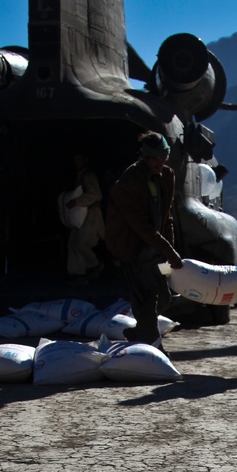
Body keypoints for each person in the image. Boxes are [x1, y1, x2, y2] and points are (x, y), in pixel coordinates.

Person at [104, 132, 183, 343]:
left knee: (165, 296)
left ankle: (140, 331)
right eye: (155, 158)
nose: (160, 162)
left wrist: (170, 249)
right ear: (145, 157)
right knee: (146, 297)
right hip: (135, 250)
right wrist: (169, 250)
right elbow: (142, 227)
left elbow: (167, 216)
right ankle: (153, 346)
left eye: (163, 157)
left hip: (158, 251)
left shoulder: (167, 176)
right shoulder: (127, 184)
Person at [65, 152, 106, 279]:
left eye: (79, 159)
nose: (76, 162)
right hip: (80, 216)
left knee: (81, 243)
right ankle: (77, 273)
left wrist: (77, 201)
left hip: (91, 215)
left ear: (85, 160)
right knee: (73, 243)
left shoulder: (88, 175)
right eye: (74, 159)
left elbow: (96, 194)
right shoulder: (80, 175)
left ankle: (94, 265)